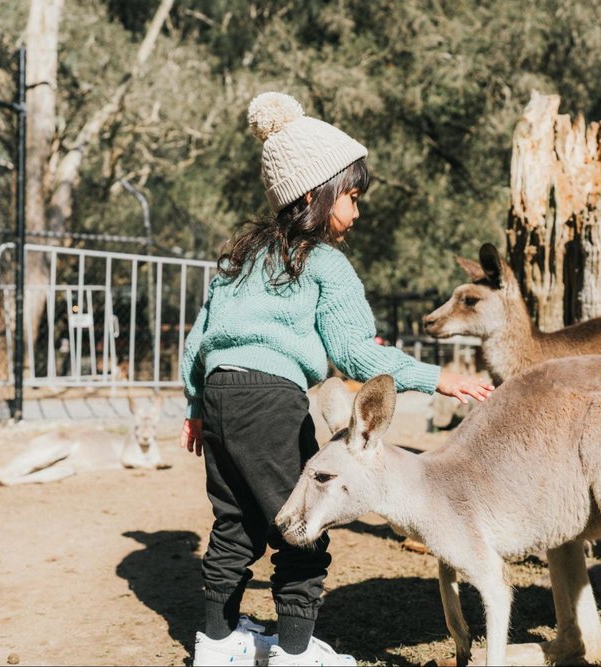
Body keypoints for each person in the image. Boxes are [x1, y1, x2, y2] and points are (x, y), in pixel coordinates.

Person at [179, 92, 494, 667]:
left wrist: (197, 406)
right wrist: (435, 378)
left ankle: (217, 642)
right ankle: (296, 652)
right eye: (350, 196)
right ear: (312, 194)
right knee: (303, 521)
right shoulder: (324, 264)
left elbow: (199, 339)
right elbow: (353, 353)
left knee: (234, 522)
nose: (356, 212)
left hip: (222, 394)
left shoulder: (241, 260)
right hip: (272, 400)